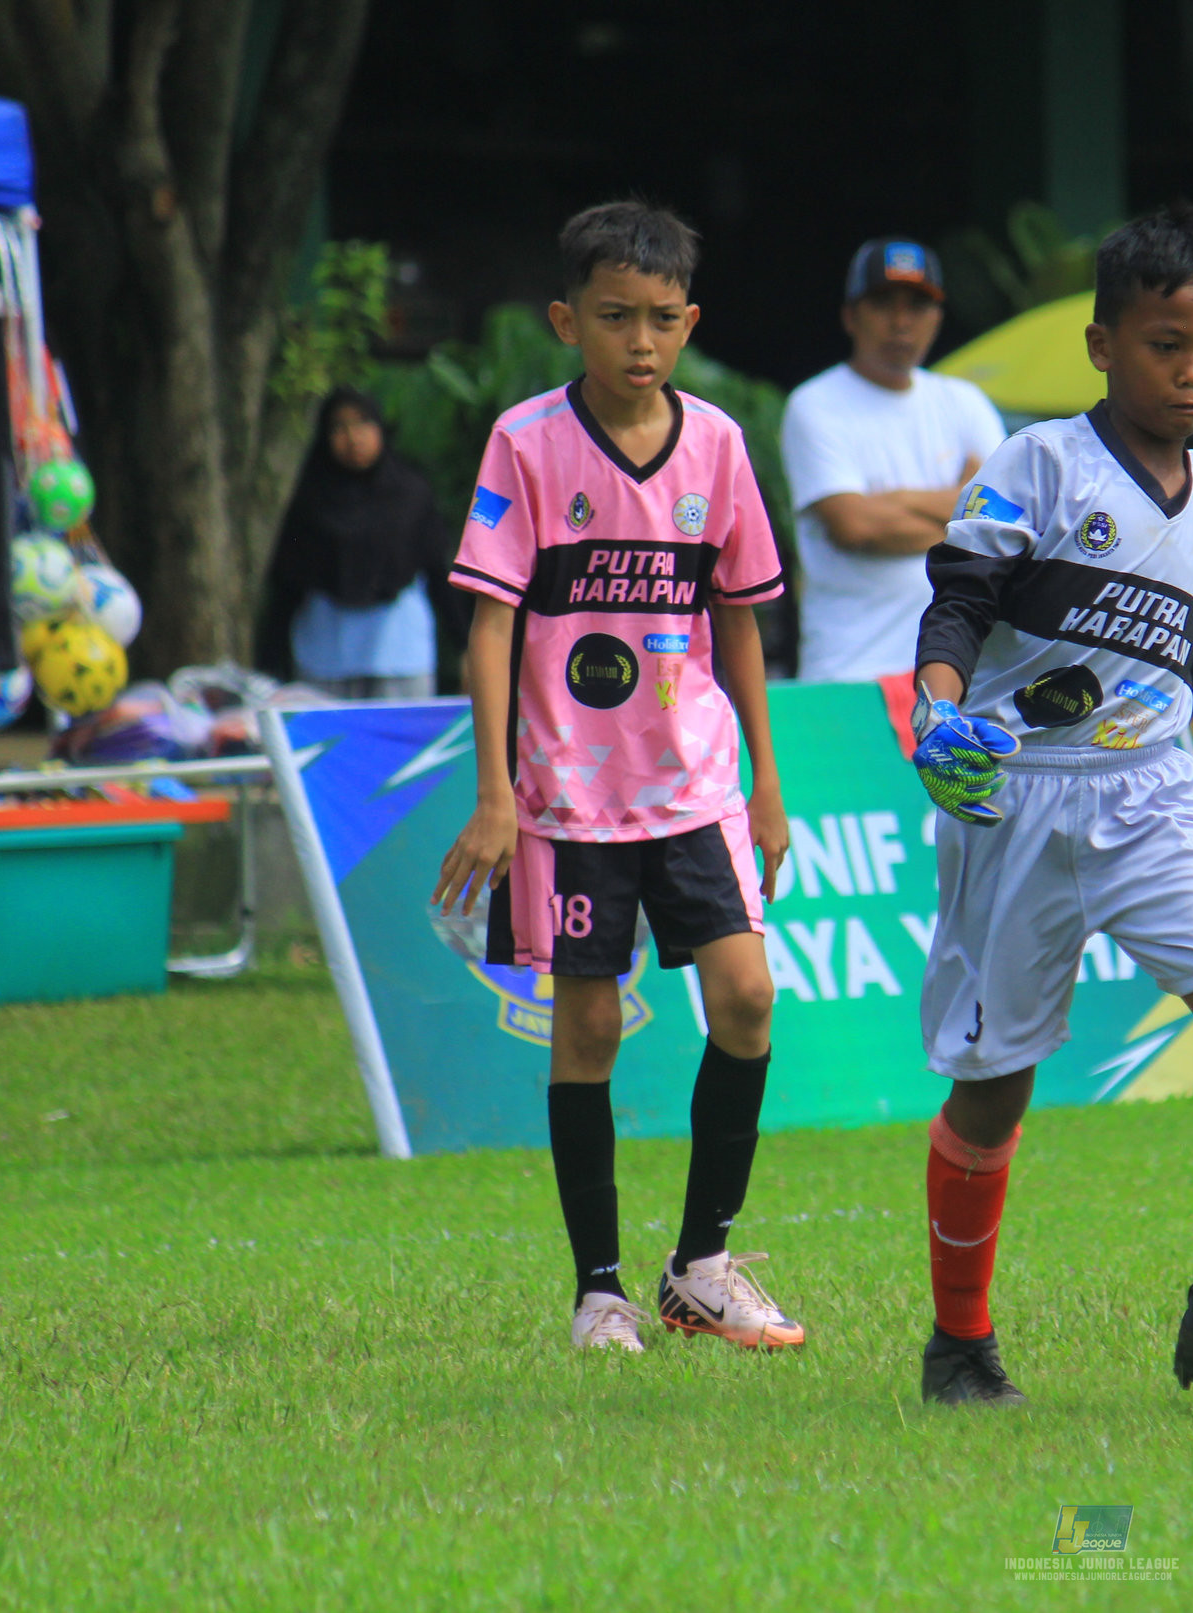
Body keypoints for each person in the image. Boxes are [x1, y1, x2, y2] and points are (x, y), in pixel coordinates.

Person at [905, 202, 1193, 1410]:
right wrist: (938, 710)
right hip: (1016, 798)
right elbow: (958, 602)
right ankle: (959, 1345)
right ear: (1102, 344)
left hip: (1151, 795)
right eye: (1165, 346)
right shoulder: (1038, 464)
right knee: (994, 1086)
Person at [432, 202, 805, 1357]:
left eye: (661, 318)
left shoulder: (719, 444)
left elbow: (738, 619)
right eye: (614, 317)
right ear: (566, 320)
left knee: (746, 998)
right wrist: (495, 793)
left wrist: (767, 782)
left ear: (688, 321)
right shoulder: (525, 443)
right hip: (566, 797)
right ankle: (599, 1293)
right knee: (589, 1026)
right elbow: (490, 625)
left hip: (696, 787)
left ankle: (700, 1267)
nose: (640, 341)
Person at [780, 239, 1007, 683]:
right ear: (850, 316)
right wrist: (962, 516)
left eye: (917, 306)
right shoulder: (815, 404)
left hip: (960, 670)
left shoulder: (965, 401)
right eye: (884, 303)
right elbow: (855, 526)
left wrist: (896, 500)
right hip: (851, 670)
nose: (901, 322)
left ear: (937, 318)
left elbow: (1005, 519)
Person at [257, 386, 450, 697]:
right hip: (327, 660)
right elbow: (287, 586)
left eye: (363, 423)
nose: (353, 437)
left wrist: (466, 646)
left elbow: (438, 571)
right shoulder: (310, 500)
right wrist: (268, 665)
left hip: (400, 657)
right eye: (339, 427)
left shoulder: (411, 494)